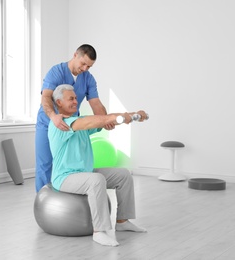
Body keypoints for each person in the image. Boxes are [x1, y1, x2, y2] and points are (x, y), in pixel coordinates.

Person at [48, 84, 148, 247]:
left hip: (85, 172)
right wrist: (115, 117)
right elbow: (91, 121)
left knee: (123, 175)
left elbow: (99, 121)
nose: (75, 101)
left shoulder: (80, 122)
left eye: (75, 98)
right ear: (59, 102)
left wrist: (132, 115)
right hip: (65, 177)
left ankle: (122, 221)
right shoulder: (60, 124)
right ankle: (99, 231)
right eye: (71, 99)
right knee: (96, 180)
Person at [35, 44, 114, 192]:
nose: (85, 69)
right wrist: (54, 117)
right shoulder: (56, 72)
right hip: (48, 122)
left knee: (73, 165)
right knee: (45, 164)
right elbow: (45, 97)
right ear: (75, 55)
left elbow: (96, 103)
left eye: (89, 66)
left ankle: (69, 204)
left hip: (71, 126)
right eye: (83, 64)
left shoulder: (88, 79)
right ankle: (43, 201)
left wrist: (105, 120)